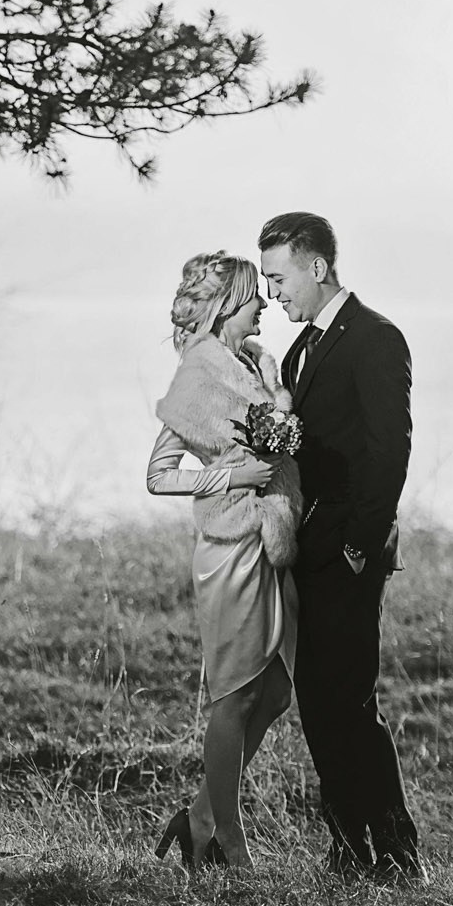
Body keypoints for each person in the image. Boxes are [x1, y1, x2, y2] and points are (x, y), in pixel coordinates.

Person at [258, 212, 425, 882]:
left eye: (279, 278)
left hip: (351, 554)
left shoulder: (377, 338)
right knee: (318, 702)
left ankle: (399, 851)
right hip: (308, 551)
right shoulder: (300, 350)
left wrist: (359, 544)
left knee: (351, 700)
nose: (273, 293)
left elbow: (390, 452)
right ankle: (349, 846)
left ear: (317, 266)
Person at [146, 252, 304, 871]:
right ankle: (227, 843)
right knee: (234, 699)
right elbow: (159, 475)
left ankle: (198, 820)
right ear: (226, 305)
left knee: (277, 693)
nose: (263, 303)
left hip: (272, 543)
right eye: (252, 296)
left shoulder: (258, 366)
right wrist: (231, 476)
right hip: (230, 548)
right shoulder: (198, 376)